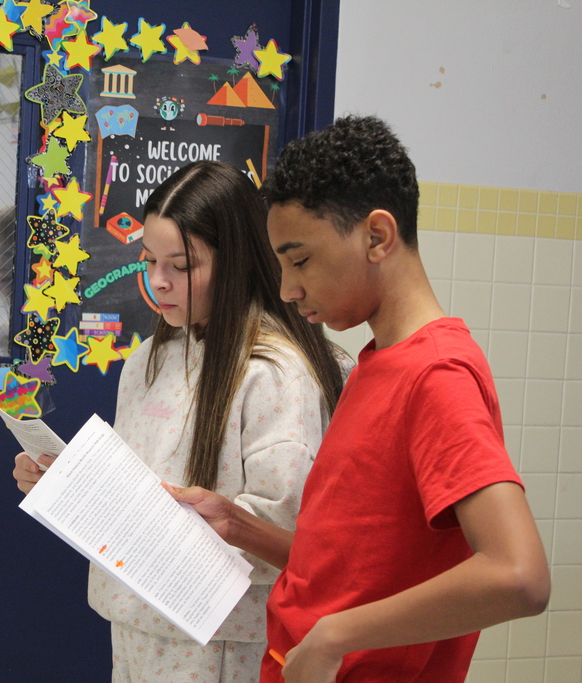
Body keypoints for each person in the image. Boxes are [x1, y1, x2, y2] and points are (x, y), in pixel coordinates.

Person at [166, 116, 550, 683]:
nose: (288, 289)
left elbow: (518, 575)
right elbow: (351, 570)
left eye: (300, 260)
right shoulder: (376, 362)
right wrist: (237, 526)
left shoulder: (436, 374)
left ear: (377, 237)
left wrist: (334, 637)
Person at [14, 161, 349, 683]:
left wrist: (207, 526)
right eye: (149, 261)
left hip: (219, 640)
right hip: (132, 617)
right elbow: (129, 489)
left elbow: (286, 533)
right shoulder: (147, 358)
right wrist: (67, 484)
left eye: (182, 265)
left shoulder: (273, 371)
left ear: (236, 260)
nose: (158, 282)